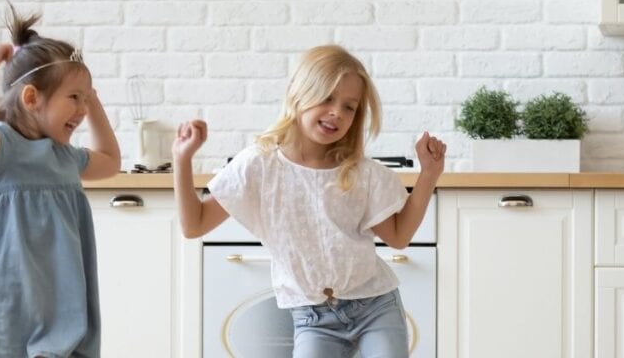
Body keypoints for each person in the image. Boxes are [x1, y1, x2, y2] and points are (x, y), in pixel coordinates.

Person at [172, 44, 446, 358]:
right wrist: (182, 160)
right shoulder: (258, 165)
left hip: (375, 307)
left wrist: (429, 174)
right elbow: (194, 226)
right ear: (297, 93)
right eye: (327, 97)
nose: (337, 113)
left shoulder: (359, 173)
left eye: (349, 107)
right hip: (313, 319)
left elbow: (399, 236)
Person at [0, 4, 122, 357]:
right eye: (74, 98)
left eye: (85, 99)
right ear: (31, 98)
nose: (81, 109)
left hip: (63, 309)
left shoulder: (64, 157)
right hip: (14, 301)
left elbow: (110, 162)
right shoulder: (2, 148)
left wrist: (93, 103)